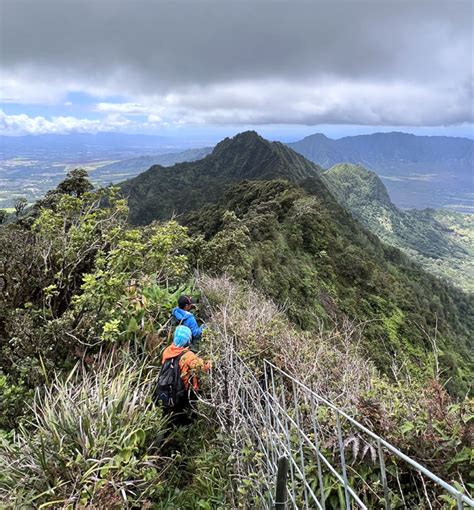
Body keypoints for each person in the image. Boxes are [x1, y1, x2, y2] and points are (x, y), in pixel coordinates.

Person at [160, 325, 211, 424]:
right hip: (183, 391)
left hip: (168, 387)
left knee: (172, 416)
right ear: (188, 340)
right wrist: (211, 362)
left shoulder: (167, 351)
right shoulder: (188, 356)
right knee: (184, 417)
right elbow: (203, 368)